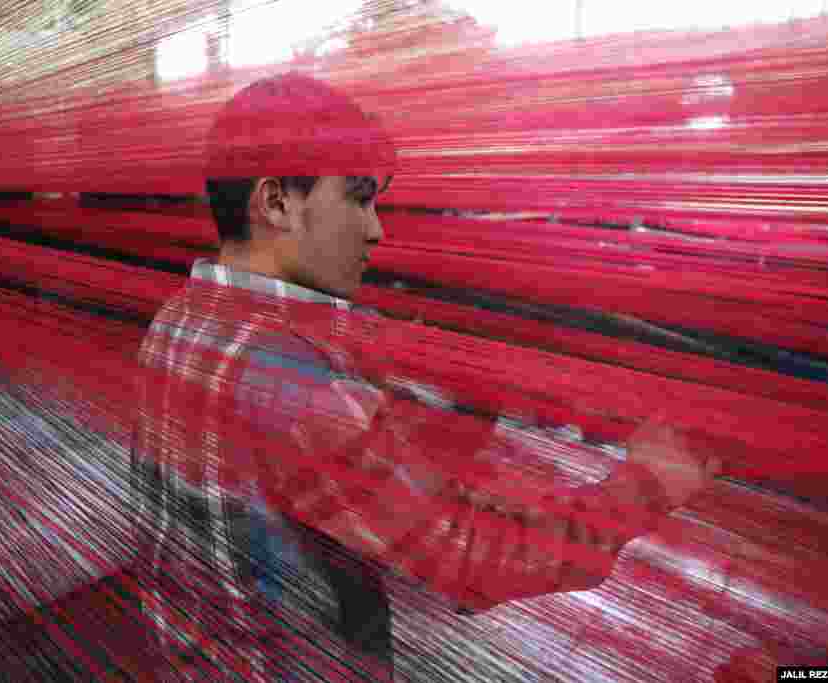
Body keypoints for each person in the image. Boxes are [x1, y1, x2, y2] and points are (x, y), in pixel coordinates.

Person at [130, 72, 718, 682]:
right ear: (277, 202)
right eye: (359, 199)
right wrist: (647, 485)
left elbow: (316, 475)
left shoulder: (184, 315)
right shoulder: (295, 378)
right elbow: (467, 559)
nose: (376, 229)